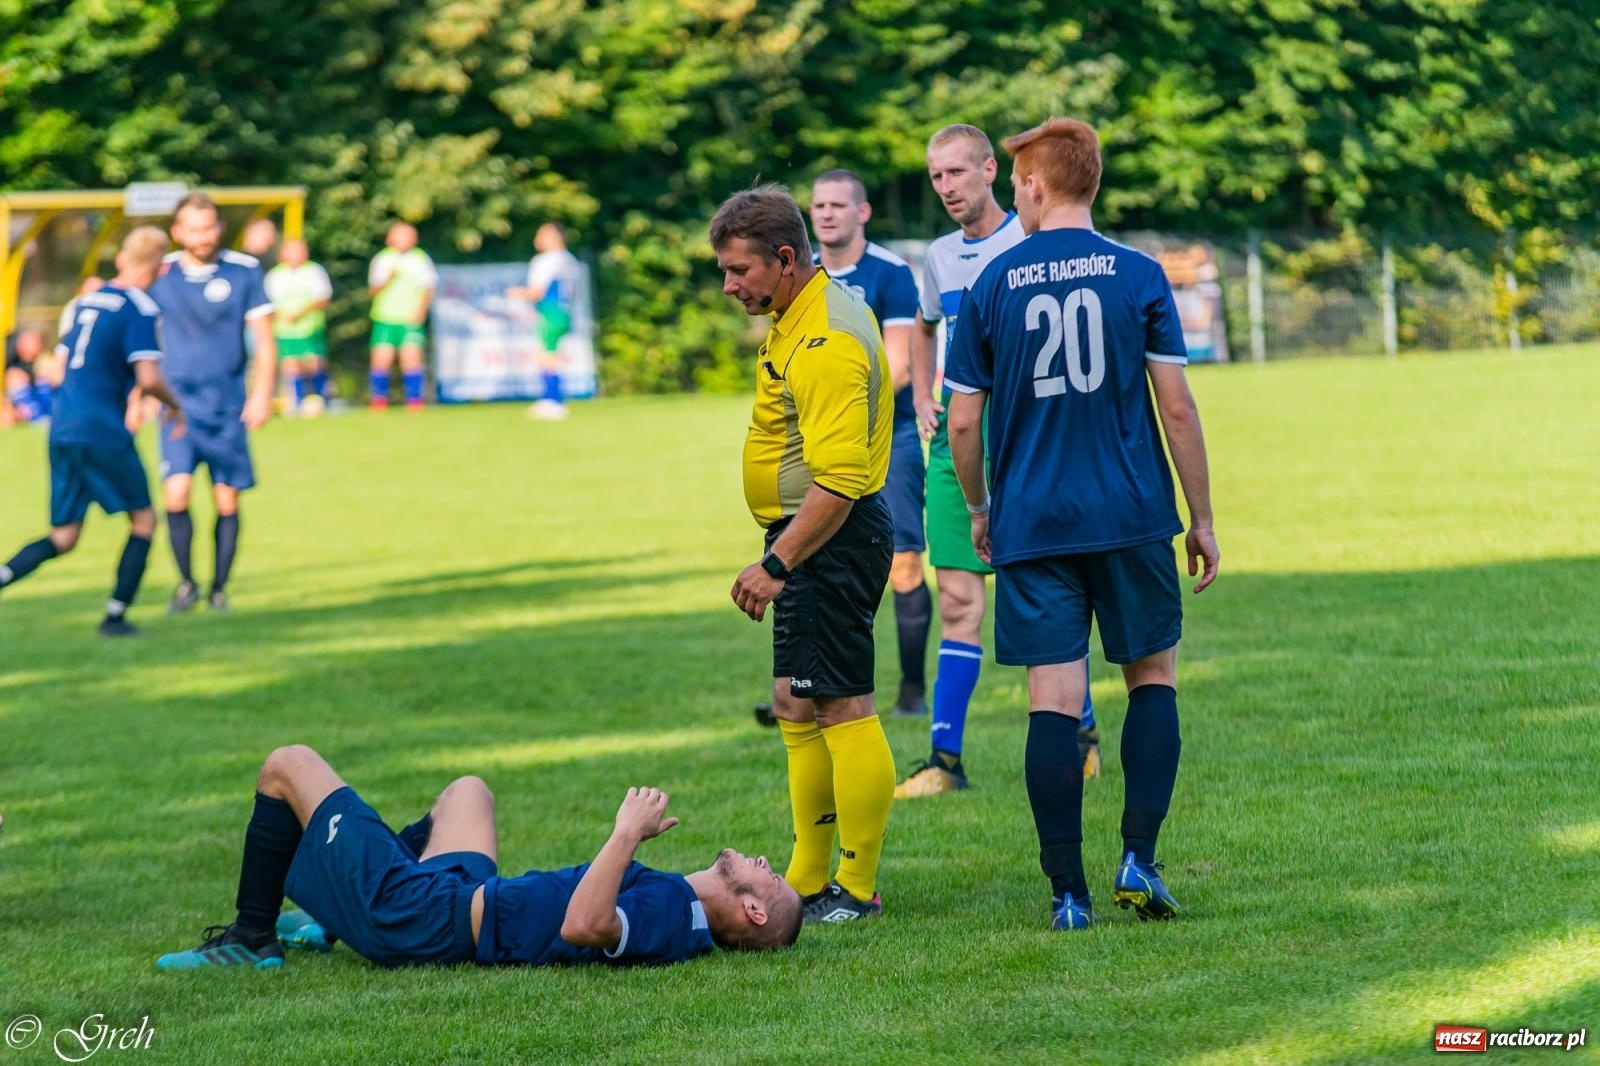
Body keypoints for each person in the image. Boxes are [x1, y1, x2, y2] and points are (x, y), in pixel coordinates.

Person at [943, 117, 1220, 931]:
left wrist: (979, 507)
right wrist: (1201, 517)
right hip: (1134, 514)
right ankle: (1140, 855)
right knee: (1152, 680)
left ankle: (1068, 893)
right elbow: (1176, 403)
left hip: (1033, 522)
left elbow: (963, 422)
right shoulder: (1139, 274)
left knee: (1053, 705)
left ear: (1031, 183)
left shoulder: (993, 282)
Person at [154, 744, 802, 969]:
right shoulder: (678, 912)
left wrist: (626, 832)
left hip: (422, 916)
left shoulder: (674, 914)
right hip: (458, 895)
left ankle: (251, 937)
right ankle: (332, 918)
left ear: (749, 910)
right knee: (469, 791)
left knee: (287, 765)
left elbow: (585, 924)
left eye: (768, 879)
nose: (765, 861)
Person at [896, 123, 1101, 800]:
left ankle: (1080, 737)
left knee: (1041, 598)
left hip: (1026, 445)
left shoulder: (1034, 242)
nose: (946, 187)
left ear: (992, 171)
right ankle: (945, 761)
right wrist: (924, 391)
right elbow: (926, 325)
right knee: (958, 600)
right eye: (935, 177)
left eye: (956, 172)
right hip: (955, 445)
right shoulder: (939, 257)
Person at [713, 184, 897, 924]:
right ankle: (806, 873)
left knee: (842, 703)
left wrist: (778, 563)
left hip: (827, 542)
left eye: (740, 271)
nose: (730, 285)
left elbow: (842, 482)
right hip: (806, 539)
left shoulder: (824, 340)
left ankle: (854, 888)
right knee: (796, 699)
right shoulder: (799, 313)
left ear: (785, 260)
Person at [0, 227, 186, 635]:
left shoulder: (88, 302)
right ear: (159, 268)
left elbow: (59, 367)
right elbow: (149, 375)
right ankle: (115, 617)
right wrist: (175, 406)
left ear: (121, 258)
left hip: (63, 425)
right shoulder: (139, 307)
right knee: (144, 519)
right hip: (100, 428)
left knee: (64, 536)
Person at [809, 169, 931, 718]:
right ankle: (809, 685)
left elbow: (899, 362)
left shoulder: (890, 274)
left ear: (862, 212)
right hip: (814, 444)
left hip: (889, 438)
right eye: (818, 205)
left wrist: (848, 413)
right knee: (809, 559)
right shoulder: (801, 275)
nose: (826, 213)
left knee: (903, 562)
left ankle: (910, 690)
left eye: (838, 204)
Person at [148, 192, 277, 614]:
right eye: (194, 228)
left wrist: (261, 393)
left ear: (220, 228)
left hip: (227, 406)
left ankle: (219, 589)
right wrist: (140, 392)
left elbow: (264, 339)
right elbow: (142, 338)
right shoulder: (162, 274)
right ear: (178, 232)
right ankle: (186, 584)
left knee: (226, 499)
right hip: (178, 408)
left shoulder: (244, 271)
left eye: (209, 227)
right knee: (177, 494)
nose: (203, 237)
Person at [508, 222, 581, 421]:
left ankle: (552, 400)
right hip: (564, 312)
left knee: (546, 356)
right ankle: (552, 400)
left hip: (550, 312)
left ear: (555, 237)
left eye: (542, 235)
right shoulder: (569, 260)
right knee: (550, 355)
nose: (537, 240)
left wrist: (515, 293)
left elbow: (536, 292)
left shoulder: (545, 260)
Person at [367, 222, 436, 411]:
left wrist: (420, 310)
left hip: (409, 318)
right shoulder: (381, 260)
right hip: (385, 318)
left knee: (411, 358)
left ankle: (414, 401)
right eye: (401, 235)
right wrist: (388, 279)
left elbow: (428, 288)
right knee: (382, 359)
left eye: (410, 235)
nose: (406, 240)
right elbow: (372, 291)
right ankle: (378, 400)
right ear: (390, 238)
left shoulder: (420, 259)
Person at [264, 239, 332, 413]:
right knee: (291, 365)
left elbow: (323, 298)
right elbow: (268, 303)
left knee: (314, 363)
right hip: (285, 329)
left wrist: (301, 312)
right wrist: (283, 314)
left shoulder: (314, 270)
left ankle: (322, 398)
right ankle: (297, 402)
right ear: (283, 254)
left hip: (310, 327)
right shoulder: (275, 275)